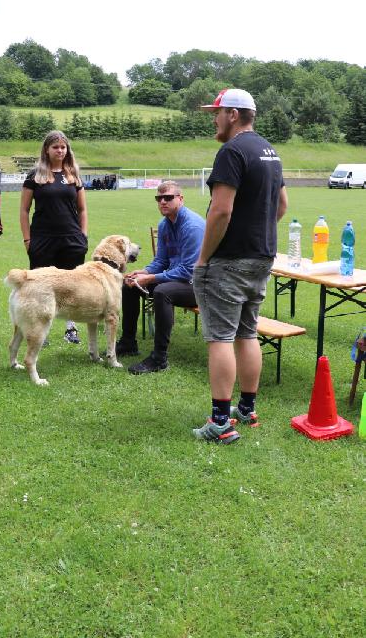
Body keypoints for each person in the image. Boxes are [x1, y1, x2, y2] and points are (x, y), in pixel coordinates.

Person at [192, 88, 288, 444]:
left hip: (229, 261)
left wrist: (203, 259)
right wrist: (257, 231)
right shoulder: (269, 151)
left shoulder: (231, 151)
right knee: (248, 333)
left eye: (216, 113)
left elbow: (221, 210)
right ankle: (246, 410)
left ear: (233, 114)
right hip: (262, 257)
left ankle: (220, 423)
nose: (214, 119)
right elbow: (281, 205)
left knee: (220, 337)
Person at [116, 181, 206, 374]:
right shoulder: (165, 224)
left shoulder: (192, 226)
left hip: (201, 285)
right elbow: (162, 260)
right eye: (159, 198)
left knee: (162, 292)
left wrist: (151, 279)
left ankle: (159, 358)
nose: (163, 202)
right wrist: (144, 272)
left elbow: (188, 271)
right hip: (178, 280)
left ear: (180, 199)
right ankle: (128, 342)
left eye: (168, 198)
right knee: (130, 285)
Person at [20, 130, 88, 344]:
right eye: (55, 147)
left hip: (71, 239)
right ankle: (40, 330)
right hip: (43, 239)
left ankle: (71, 328)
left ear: (67, 150)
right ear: (47, 150)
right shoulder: (35, 176)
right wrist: (27, 240)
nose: (60, 150)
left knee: (71, 286)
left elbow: (82, 209)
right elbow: (24, 210)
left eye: (63, 147)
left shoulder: (73, 175)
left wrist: (83, 236)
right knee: (40, 287)